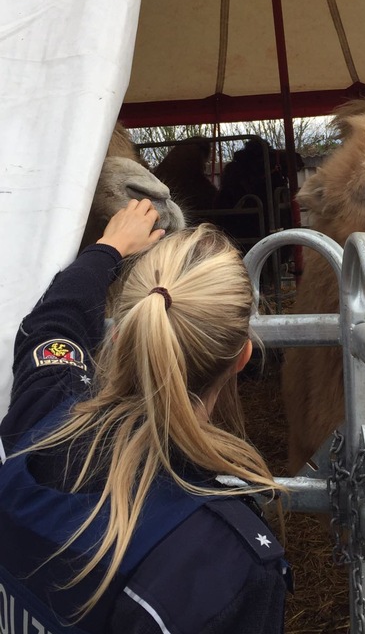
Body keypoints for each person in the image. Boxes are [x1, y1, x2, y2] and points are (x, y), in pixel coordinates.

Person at [0, 199, 289, 634]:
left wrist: (108, 247)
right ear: (243, 356)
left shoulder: (43, 416)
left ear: (119, 334)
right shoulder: (226, 559)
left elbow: (50, 325)